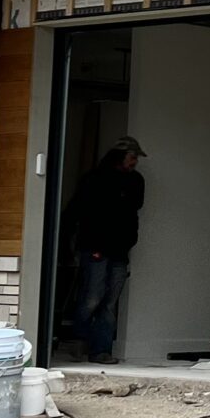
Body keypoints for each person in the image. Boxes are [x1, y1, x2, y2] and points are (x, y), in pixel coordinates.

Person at [64, 138, 145, 361]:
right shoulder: (94, 180)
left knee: (109, 302)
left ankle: (101, 350)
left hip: (119, 250)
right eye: (132, 157)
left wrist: (129, 241)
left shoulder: (136, 181)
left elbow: (133, 210)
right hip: (95, 247)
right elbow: (80, 212)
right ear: (119, 156)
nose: (135, 162)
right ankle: (79, 340)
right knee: (92, 297)